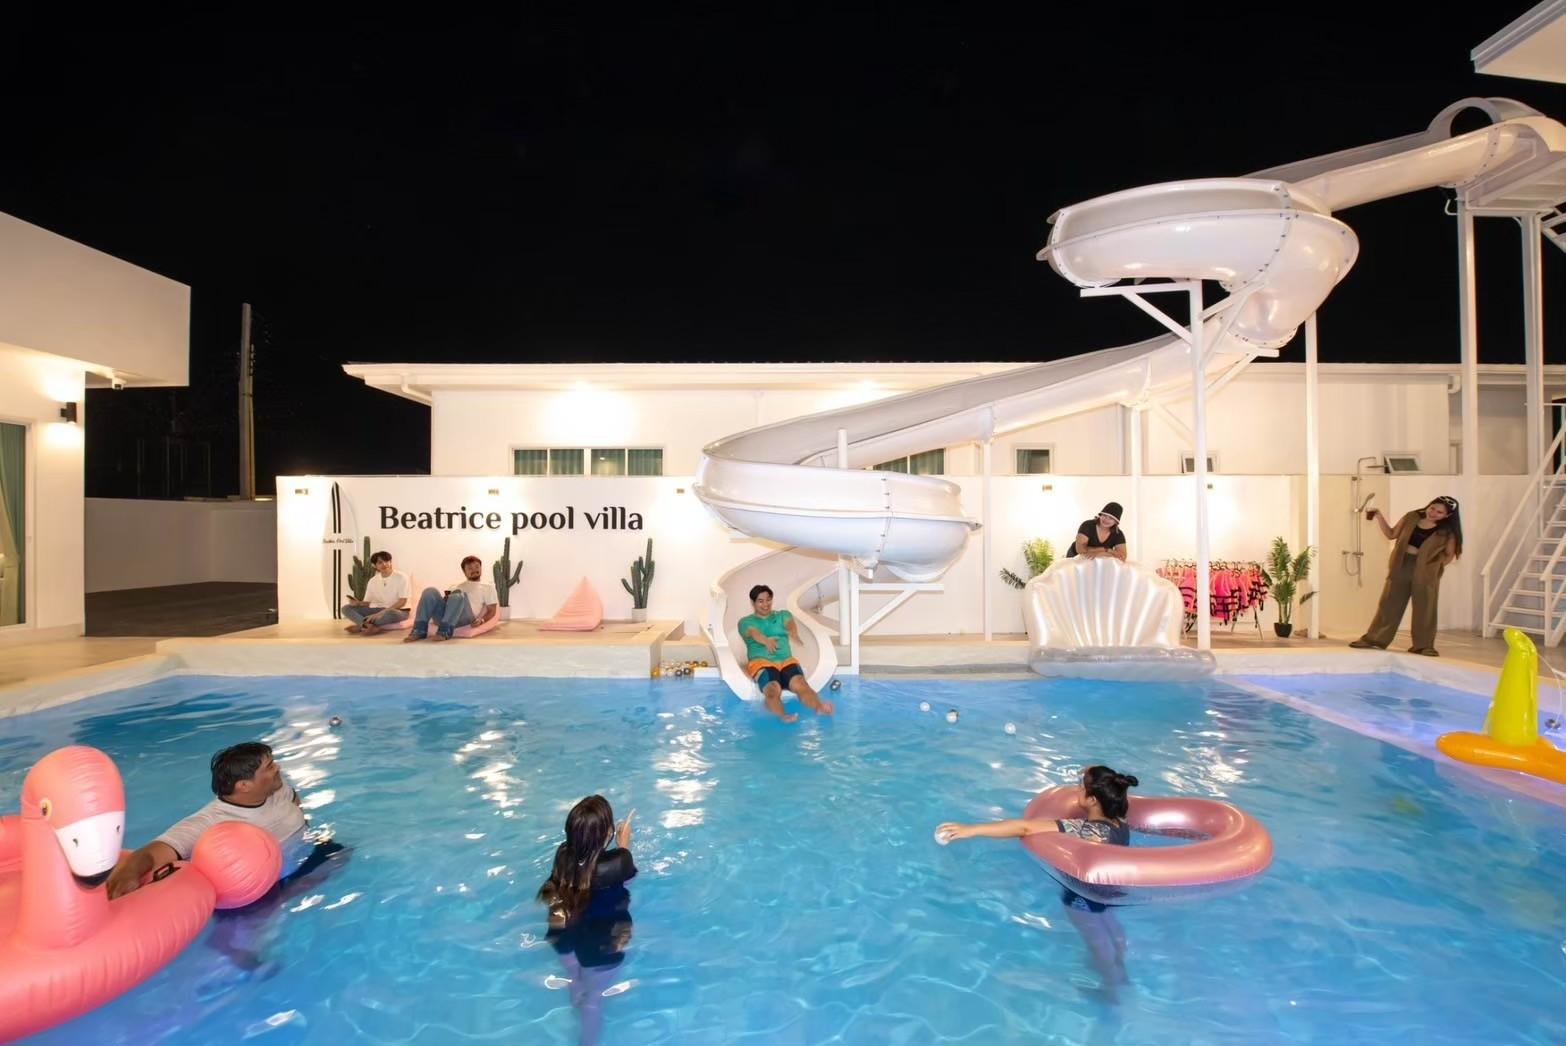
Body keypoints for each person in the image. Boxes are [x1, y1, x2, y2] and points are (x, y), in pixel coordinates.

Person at [935, 766, 1138, 1002]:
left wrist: (970, 830)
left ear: (1093, 799)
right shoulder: (1120, 821)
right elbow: (1108, 785)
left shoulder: (1086, 830)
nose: (1077, 789)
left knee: (1096, 942)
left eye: (1081, 787)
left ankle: (1110, 992)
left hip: (1081, 897)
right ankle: (1121, 974)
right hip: (1109, 892)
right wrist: (1092, 773)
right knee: (1111, 929)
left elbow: (1024, 827)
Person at [105, 742, 324, 900]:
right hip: (264, 888)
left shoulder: (275, 787)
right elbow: (155, 851)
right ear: (244, 786)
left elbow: (296, 805)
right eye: (269, 767)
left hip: (310, 858)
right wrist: (130, 872)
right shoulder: (210, 821)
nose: (278, 768)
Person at [538, 796, 637, 1046]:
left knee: (575, 978)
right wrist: (624, 843)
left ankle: (575, 988)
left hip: (562, 935)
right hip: (600, 945)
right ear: (607, 833)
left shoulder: (562, 854)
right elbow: (628, 878)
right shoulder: (619, 862)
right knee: (594, 998)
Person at [1350, 495, 1463, 656]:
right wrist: (1379, 516)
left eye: (1439, 512)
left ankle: (1423, 646)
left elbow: (1449, 554)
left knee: (1425, 608)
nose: (1433, 513)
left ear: (1447, 515)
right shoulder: (1411, 517)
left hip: (1426, 572)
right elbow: (1391, 534)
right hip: (1401, 565)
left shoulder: (1447, 532)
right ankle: (1374, 639)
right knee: (1389, 603)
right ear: (1428, 505)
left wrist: (1433, 567)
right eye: (1432, 508)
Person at [736, 583, 833, 723]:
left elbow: (790, 624)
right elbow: (753, 632)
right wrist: (766, 641)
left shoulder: (782, 615)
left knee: (801, 684)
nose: (765, 604)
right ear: (753, 602)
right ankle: (782, 716)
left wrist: (793, 633)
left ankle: (819, 707)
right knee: (772, 689)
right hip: (762, 662)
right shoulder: (745, 621)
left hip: (786, 660)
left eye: (768, 600)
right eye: (760, 601)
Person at [404, 555, 497, 642]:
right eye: (470, 568)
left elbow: (492, 610)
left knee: (458, 594)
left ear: (481, 568)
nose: (474, 570)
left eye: (477, 567)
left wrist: (482, 620)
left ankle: (444, 632)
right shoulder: (455, 586)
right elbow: (446, 602)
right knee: (430, 591)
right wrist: (446, 599)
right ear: (464, 572)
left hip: (465, 617)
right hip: (446, 616)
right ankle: (419, 630)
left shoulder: (488, 587)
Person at [341, 550, 410, 634]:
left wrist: (380, 613)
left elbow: (402, 602)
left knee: (391, 614)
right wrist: (358, 603)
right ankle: (367, 626)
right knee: (346, 608)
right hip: (378, 609)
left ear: (390, 562)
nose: (384, 564)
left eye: (386, 561)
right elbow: (368, 603)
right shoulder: (372, 581)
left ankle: (361, 625)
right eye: (380, 562)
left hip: (398, 611)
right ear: (375, 566)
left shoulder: (402, 577)